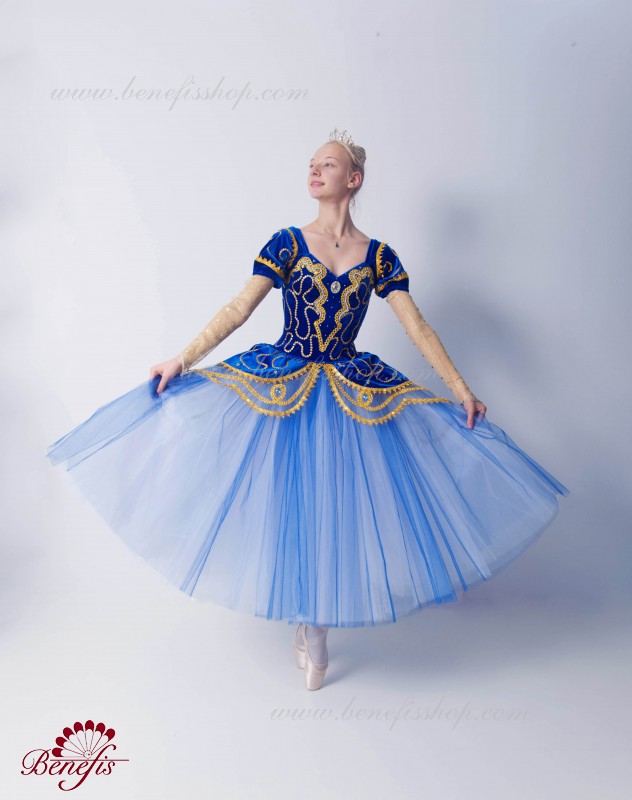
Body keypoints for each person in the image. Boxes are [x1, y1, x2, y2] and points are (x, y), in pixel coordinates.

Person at [46, 128, 570, 691]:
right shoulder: (287, 243)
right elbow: (239, 308)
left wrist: (461, 389)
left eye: (329, 164)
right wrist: (183, 357)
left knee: (332, 507)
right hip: (285, 385)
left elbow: (417, 326)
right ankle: (310, 624)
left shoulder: (380, 256)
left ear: (354, 179)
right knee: (297, 505)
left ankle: (313, 628)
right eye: (312, 164)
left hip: (349, 391)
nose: (315, 171)